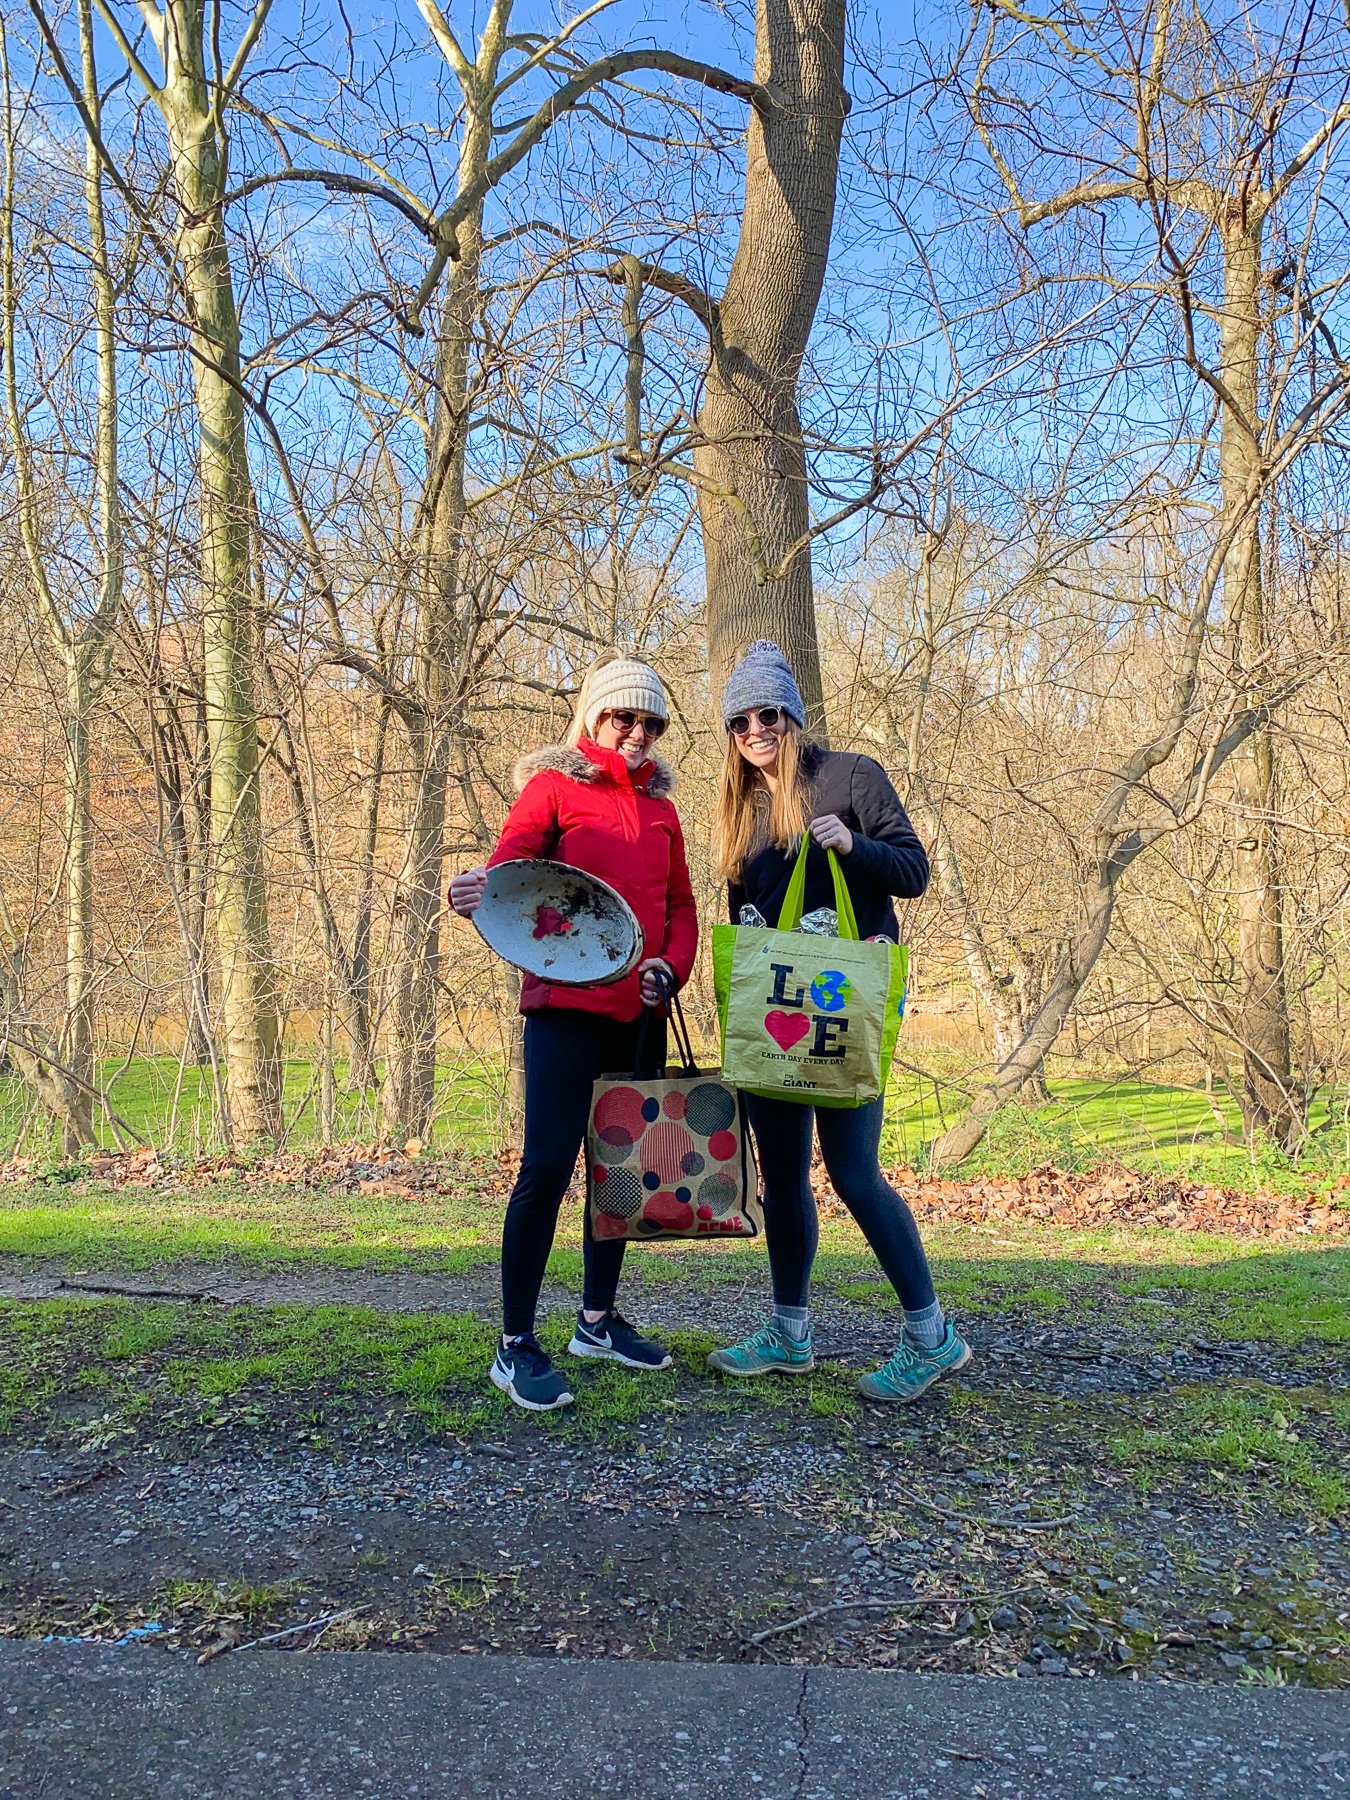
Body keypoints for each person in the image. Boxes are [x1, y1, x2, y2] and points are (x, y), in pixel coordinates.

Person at [705, 640, 970, 1402]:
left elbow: (914, 872)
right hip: (770, 1012)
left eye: (769, 713)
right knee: (783, 1179)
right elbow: (746, 921)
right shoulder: (738, 806)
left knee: (853, 1172)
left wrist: (854, 846)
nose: (756, 729)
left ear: (792, 714)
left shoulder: (851, 775)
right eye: (740, 720)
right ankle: (790, 1335)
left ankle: (932, 1336)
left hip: (843, 1010)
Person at [450, 652, 698, 1412]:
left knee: (620, 1174)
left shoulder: (663, 810)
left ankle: (596, 1323)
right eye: (625, 716)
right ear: (594, 716)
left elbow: (682, 908)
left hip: (639, 1013)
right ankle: (515, 1344)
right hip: (562, 1009)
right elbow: (509, 880)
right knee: (548, 1168)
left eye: (652, 721)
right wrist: (472, 890)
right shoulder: (553, 788)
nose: (639, 732)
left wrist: (671, 968)